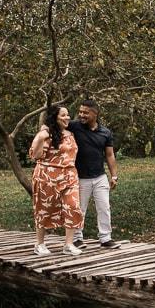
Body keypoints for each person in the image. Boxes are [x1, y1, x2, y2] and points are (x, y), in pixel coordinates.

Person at [29, 106, 84, 256]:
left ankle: (68, 244)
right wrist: (41, 137)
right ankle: (39, 244)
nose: (67, 118)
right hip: (47, 177)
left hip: (69, 176)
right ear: (55, 117)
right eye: (63, 115)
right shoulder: (46, 134)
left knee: (73, 207)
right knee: (44, 209)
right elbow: (36, 156)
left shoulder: (70, 134)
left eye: (68, 115)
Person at [69, 99, 120, 249]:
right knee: (79, 209)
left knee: (104, 207)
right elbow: (56, 123)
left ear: (95, 114)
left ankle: (105, 239)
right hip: (81, 177)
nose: (81, 115)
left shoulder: (105, 132)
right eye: (80, 112)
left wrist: (114, 176)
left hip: (100, 177)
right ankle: (77, 239)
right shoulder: (75, 126)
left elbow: (110, 155)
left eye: (85, 112)